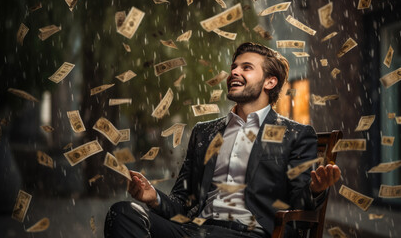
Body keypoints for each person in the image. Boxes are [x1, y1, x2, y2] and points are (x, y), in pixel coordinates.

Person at [104, 42, 341, 238]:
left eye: (246, 67)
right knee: (124, 213)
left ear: (270, 82)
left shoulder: (296, 135)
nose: (234, 73)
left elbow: (299, 206)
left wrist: (315, 189)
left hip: (252, 233)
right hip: (197, 229)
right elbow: (182, 204)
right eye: (234, 67)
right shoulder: (204, 133)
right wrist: (153, 197)